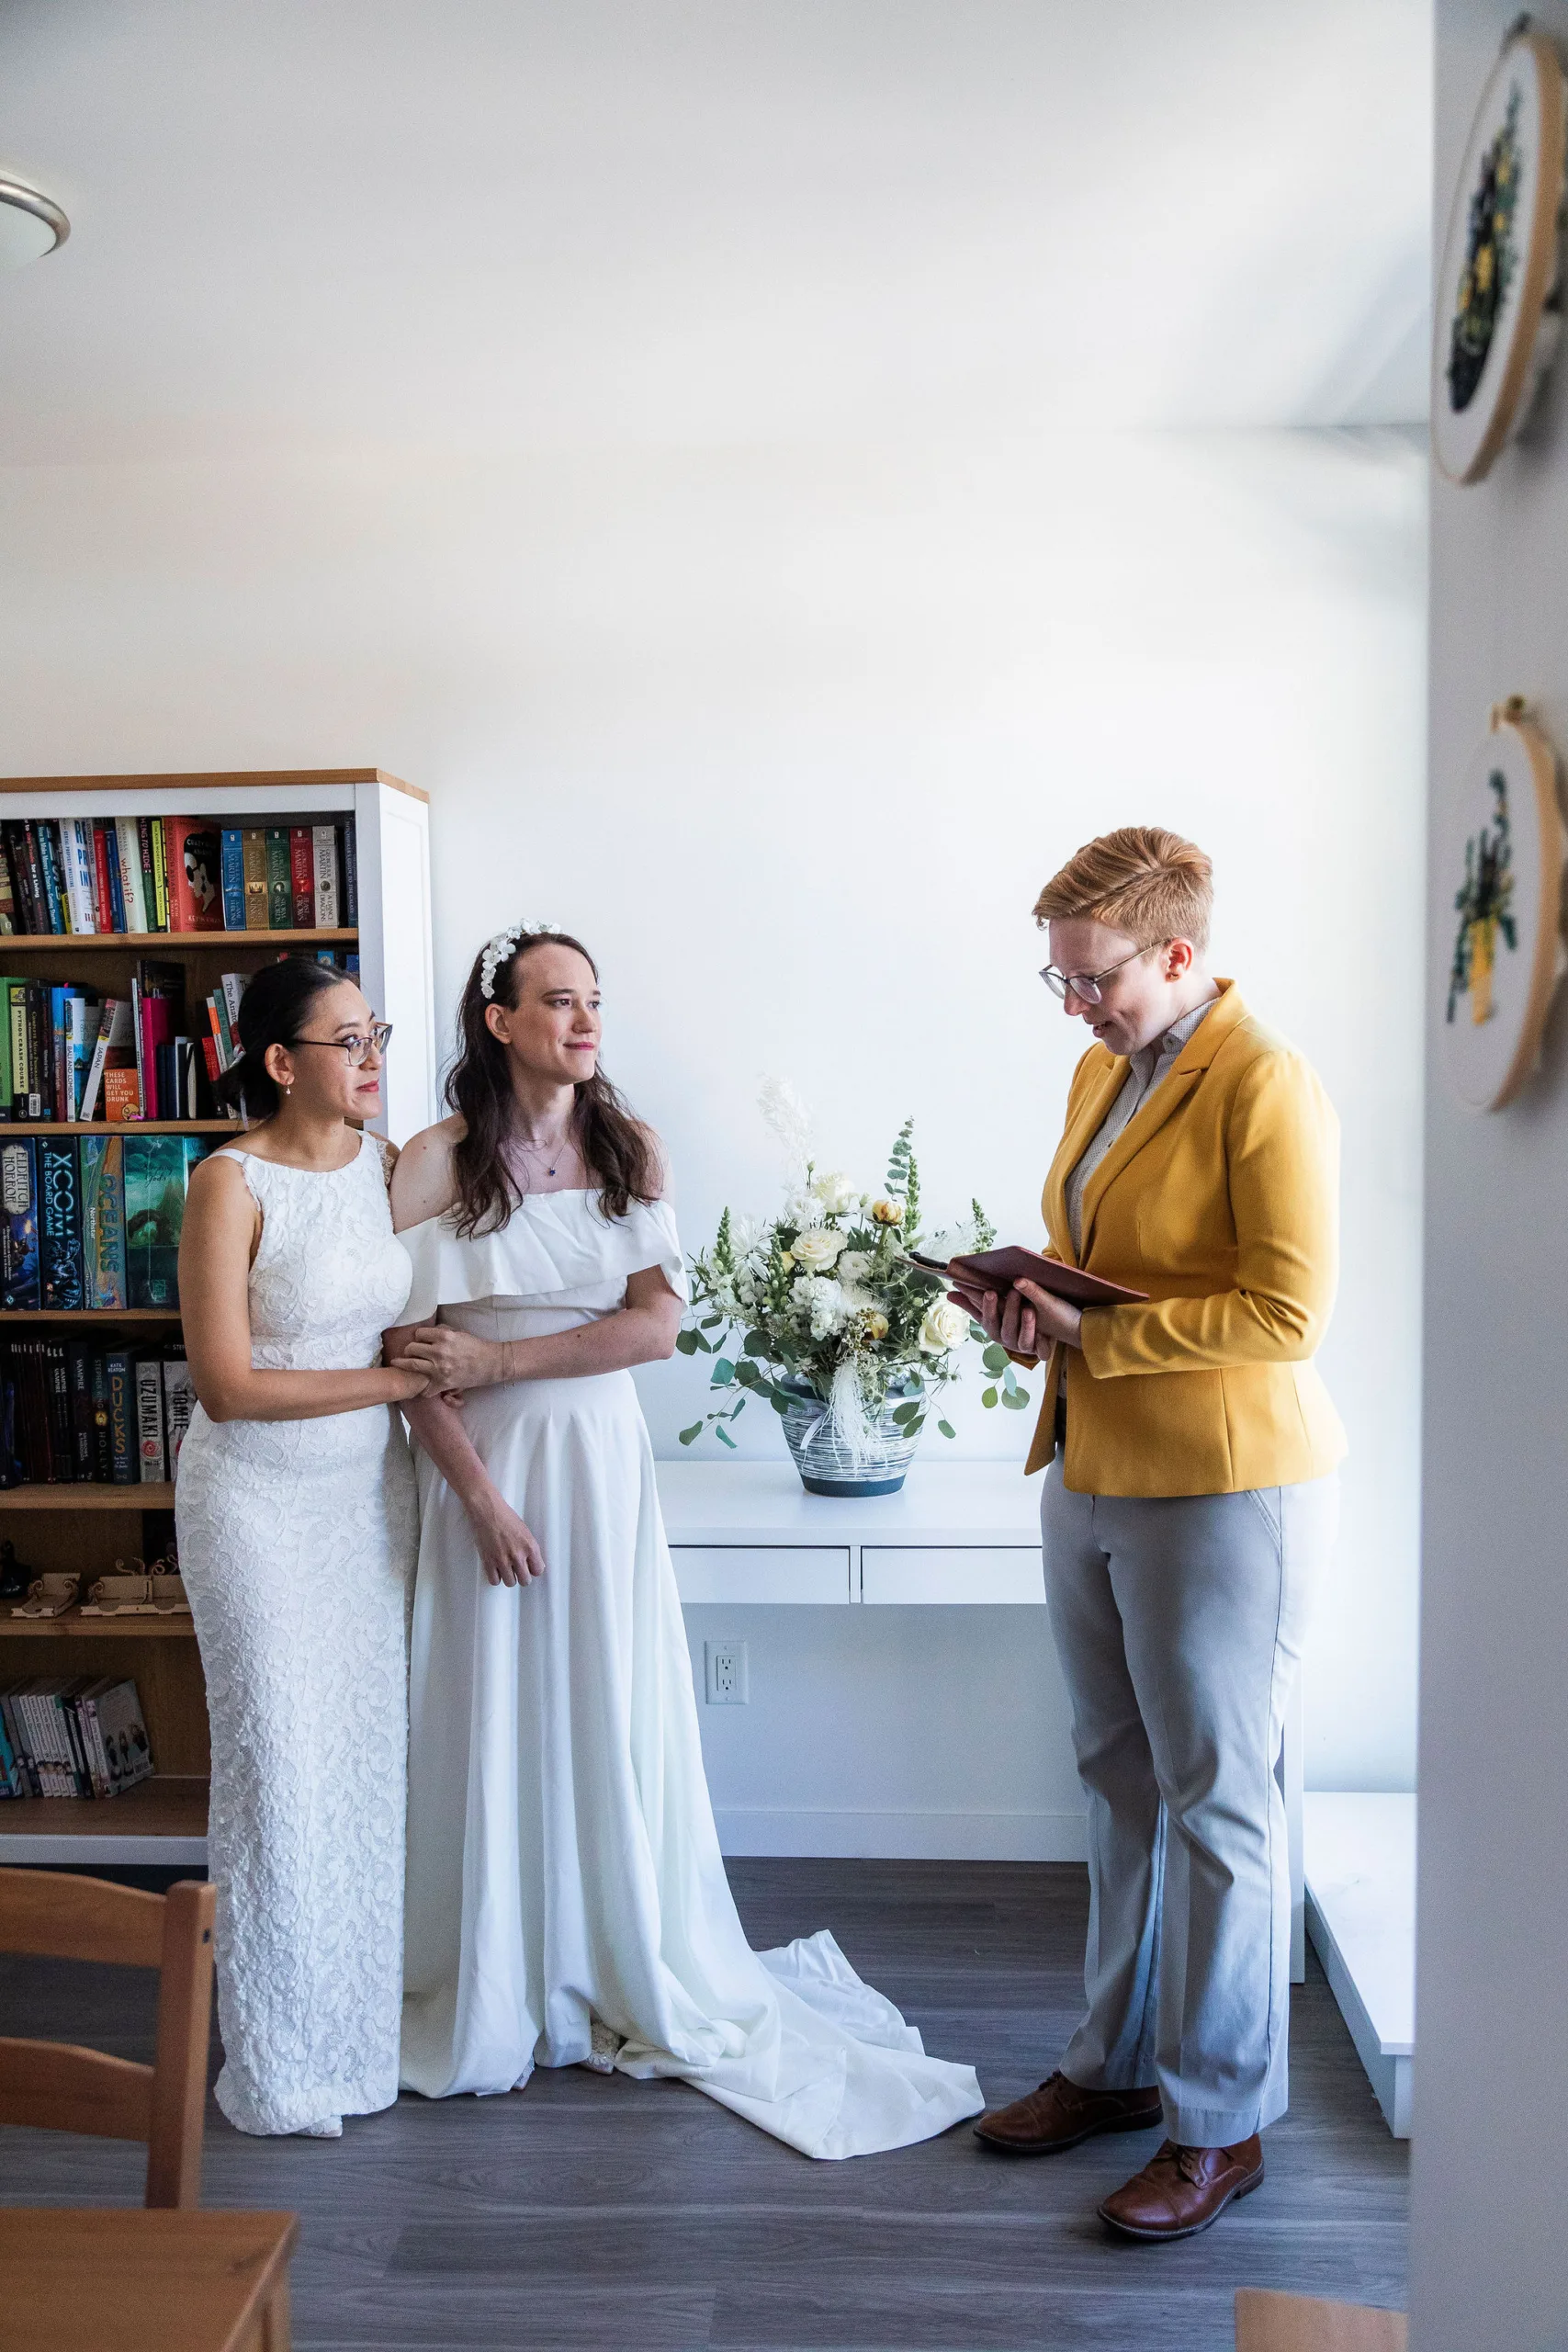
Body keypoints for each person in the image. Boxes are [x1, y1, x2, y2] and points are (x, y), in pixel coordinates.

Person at [388, 922, 983, 2156]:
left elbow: (656, 1331)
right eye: (556, 1000)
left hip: (602, 1468)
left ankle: (615, 1952)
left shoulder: (628, 1144)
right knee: (489, 1704)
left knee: (605, 1702)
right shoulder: (434, 1160)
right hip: (482, 1475)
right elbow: (409, 1365)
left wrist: (504, 1353)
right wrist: (484, 1504)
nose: (583, 1020)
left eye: (592, 999)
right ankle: (502, 1972)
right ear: (494, 1019)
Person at [955, 828, 1345, 2241]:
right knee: (1115, 1781)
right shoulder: (1096, 1071)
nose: (1076, 1008)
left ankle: (1218, 2124)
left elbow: (1284, 1317)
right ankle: (1113, 2071)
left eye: (1093, 981)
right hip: (1092, 1469)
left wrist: (1092, 1336)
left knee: (1218, 1806)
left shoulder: (1264, 1081)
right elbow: (1105, 1270)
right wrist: (1029, 1321)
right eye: (1057, 985)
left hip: (1224, 1491)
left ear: (1176, 952)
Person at [176, 958, 426, 2138]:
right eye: (346, 1038)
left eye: (375, 1032)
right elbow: (227, 1387)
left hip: (366, 1504)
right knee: (278, 1771)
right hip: (256, 1512)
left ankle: (358, 2043)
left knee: (358, 1771)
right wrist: (388, 1377)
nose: (372, 1054)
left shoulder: (388, 1170)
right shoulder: (226, 1182)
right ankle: (279, 2066)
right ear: (283, 1063)